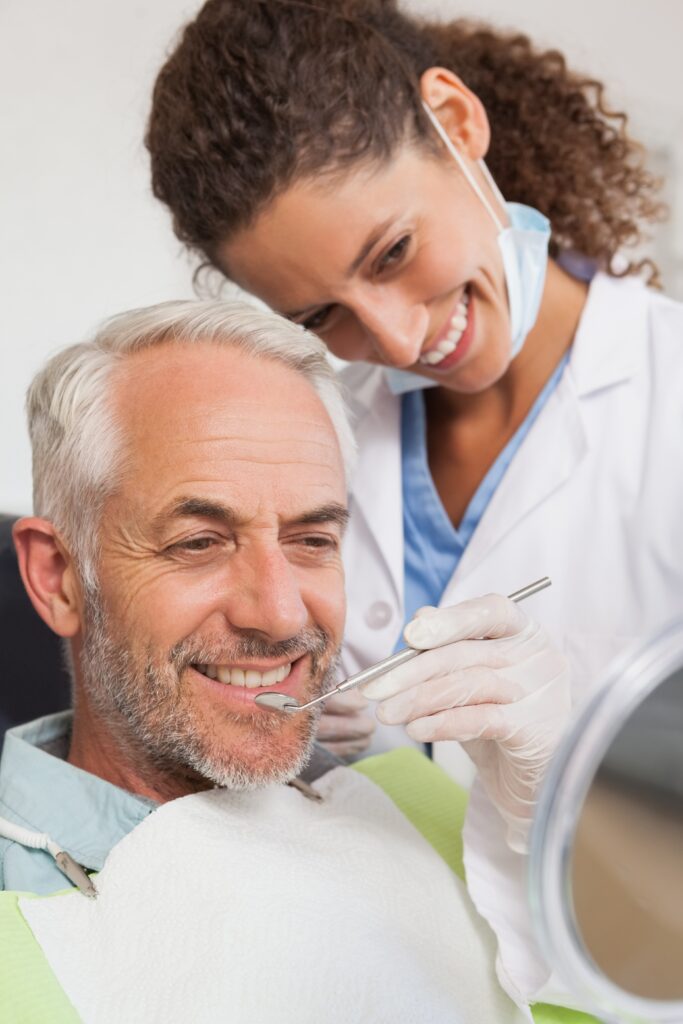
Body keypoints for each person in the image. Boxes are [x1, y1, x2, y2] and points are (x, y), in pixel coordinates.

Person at [145, 0, 683, 775]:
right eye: (322, 313)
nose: (397, 341)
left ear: (456, 122)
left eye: (392, 251)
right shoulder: (324, 434)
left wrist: (570, 761)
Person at [0, 301, 576, 1021]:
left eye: (311, 539)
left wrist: (560, 837)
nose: (278, 614)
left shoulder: (408, 792)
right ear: (57, 577)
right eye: (198, 543)